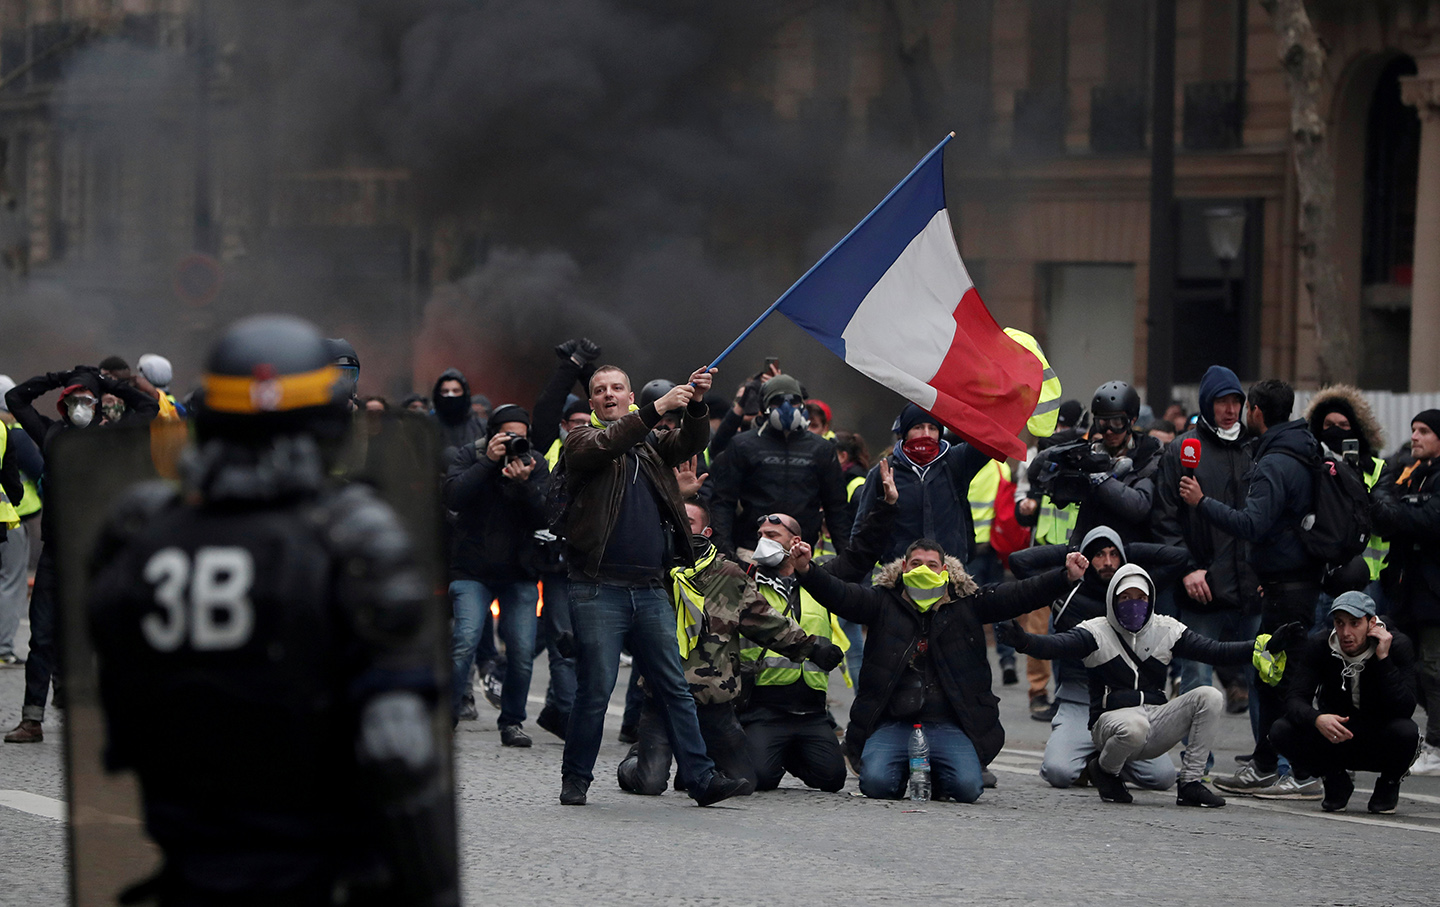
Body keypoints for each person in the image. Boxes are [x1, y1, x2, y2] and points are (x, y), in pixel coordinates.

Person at [87, 315, 455, 905]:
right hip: (316, 877)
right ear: (332, 423)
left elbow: (111, 691)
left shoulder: (137, 530)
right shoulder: (354, 533)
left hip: (184, 867)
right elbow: (397, 748)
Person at [556, 362, 747, 807]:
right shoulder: (583, 439)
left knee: (675, 687)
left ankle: (701, 779)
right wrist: (658, 407)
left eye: (616, 387)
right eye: (600, 390)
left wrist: (697, 404)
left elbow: (692, 441)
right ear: (592, 403)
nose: (608, 394)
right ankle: (575, 780)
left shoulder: (649, 446)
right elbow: (608, 442)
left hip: (650, 586)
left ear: (627, 395)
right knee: (596, 688)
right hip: (598, 586)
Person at [791, 531, 1088, 803]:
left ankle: (936, 771)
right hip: (893, 721)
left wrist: (1064, 577)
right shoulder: (881, 602)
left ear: (944, 571)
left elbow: (1021, 593)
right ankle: (901, 768)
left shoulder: (968, 603)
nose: (923, 569)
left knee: (967, 789)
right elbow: (840, 594)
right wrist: (806, 569)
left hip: (947, 722)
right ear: (904, 568)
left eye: (931, 565)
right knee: (878, 786)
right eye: (916, 563)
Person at [998, 564, 1305, 807]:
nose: (1134, 605)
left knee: (1208, 698)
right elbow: (1054, 645)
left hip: (1152, 719)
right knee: (1133, 727)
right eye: (1126, 598)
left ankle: (1191, 784)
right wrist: (1023, 641)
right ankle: (1106, 772)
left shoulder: (1166, 629)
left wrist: (1265, 644)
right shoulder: (1095, 632)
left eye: (1141, 598)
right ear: (1113, 599)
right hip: (1110, 723)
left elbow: (1216, 650)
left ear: (1151, 600)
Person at [617, 499, 842, 795]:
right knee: (649, 783)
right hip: (663, 695)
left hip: (714, 699)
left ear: (707, 532)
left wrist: (812, 649)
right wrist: (587, 640)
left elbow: (765, 622)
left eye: (690, 521)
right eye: (676, 521)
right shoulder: (653, 571)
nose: (681, 527)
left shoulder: (728, 576)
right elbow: (622, 614)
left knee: (746, 783)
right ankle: (637, 759)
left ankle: (697, 769)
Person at [1182, 379, 1326, 799]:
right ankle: (1265, 765)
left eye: (1245, 406)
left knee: (1285, 681)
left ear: (1257, 411)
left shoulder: (1276, 462)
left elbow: (1253, 524)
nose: (1241, 413)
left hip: (1290, 589)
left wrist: (1202, 503)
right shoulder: (1302, 447)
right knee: (1268, 676)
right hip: (1287, 582)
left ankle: (1303, 771)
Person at [4, 364, 158, 744]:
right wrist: (55, 377)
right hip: (57, 553)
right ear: (64, 404)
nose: (81, 407)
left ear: (98, 406)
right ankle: (32, 719)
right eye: (74, 401)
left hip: (96, 553)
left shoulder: (111, 437)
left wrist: (107, 384)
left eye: (87, 401)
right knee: (41, 637)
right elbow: (15, 399)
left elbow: (147, 409)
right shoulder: (53, 436)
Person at [1009, 527, 1188, 790]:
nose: (1107, 562)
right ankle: (1092, 755)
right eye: (1099, 555)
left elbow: (1178, 557)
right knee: (1058, 772)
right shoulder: (1067, 592)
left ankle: (1105, 761)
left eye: (1114, 555)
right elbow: (1018, 561)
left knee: (1161, 779)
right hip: (1078, 700)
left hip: (1126, 704)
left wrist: (1126, 548)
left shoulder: (1136, 594)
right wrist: (1074, 551)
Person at [1152, 366, 1259, 715]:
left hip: (1253, 585)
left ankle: (1268, 762)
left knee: (1265, 674)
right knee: (1197, 677)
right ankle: (1197, 766)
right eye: (1222, 402)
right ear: (1206, 404)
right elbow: (1165, 518)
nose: (1230, 410)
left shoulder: (1254, 448)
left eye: (1236, 402)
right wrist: (1188, 568)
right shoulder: (1184, 450)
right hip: (1203, 586)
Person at [444, 403, 548, 746]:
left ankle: (512, 722)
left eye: (520, 435)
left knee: (520, 651)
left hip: (519, 572)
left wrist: (524, 485)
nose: (514, 441)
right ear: (491, 434)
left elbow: (544, 518)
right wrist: (488, 463)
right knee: (464, 640)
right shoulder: (469, 455)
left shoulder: (536, 463)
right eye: (507, 434)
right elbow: (453, 496)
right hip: (471, 570)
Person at [735, 510, 854, 793]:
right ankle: (765, 750)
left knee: (832, 779)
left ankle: (785, 753)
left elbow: (860, 553)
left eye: (773, 536)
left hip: (811, 710)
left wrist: (885, 506)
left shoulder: (819, 582)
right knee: (761, 779)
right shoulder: (746, 581)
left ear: (795, 541)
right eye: (761, 536)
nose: (763, 541)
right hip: (764, 708)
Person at [1269, 592, 1419, 814]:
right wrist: (1317, 718)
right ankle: (1335, 780)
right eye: (1339, 624)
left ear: (1371, 623)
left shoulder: (1397, 645)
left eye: (1355, 624)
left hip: (1379, 737)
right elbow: (1294, 698)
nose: (1346, 633)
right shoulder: (1321, 644)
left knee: (1407, 732)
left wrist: (1383, 660)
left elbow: (1405, 708)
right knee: (1281, 730)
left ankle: (1388, 785)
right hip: (1337, 735)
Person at [708, 373, 851, 559]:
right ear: (765, 407)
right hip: (752, 550)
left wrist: (846, 560)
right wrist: (724, 550)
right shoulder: (743, 445)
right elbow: (723, 501)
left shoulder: (821, 449)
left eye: (793, 402)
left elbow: (836, 507)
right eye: (777, 401)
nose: (786, 408)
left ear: (802, 405)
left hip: (800, 553)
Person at [1370, 409, 1440, 776]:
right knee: (1404, 663)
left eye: (1424, 431)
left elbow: (1429, 521)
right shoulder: (1409, 473)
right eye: (1413, 430)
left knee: (1433, 668)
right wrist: (1397, 504)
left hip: (1433, 593)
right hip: (1403, 589)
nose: (1415, 437)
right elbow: (1381, 510)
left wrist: (1399, 508)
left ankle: (1437, 744)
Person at [1031, 381, 1161, 545]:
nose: (1109, 431)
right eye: (1103, 423)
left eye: (1117, 423)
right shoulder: (1089, 452)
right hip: (1087, 547)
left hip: (1129, 549)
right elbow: (1036, 476)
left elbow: (1138, 506)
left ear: (1132, 420)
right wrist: (1057, 453)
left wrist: (1097, 478)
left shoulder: (1148, 456)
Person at [1305, 386, 1390, 600]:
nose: (1336, 430)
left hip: (1365, 579)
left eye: (1344, 425)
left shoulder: (1377, 468)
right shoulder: (1308, 466)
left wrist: (1354, 479)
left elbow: (1387, 520)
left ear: (1357, 429)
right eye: (1329, 425)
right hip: (1317, 576)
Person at [0, 376, 41, 668]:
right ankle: (3, 648)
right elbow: (36, 470)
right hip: (10, 518)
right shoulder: (11, 433)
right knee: (11, 582)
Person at [431, 368, 487, 465]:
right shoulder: (427, 426)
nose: (450, 395)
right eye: (445, 391)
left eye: (456, 391)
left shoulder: (480, 426)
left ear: (464, 393)